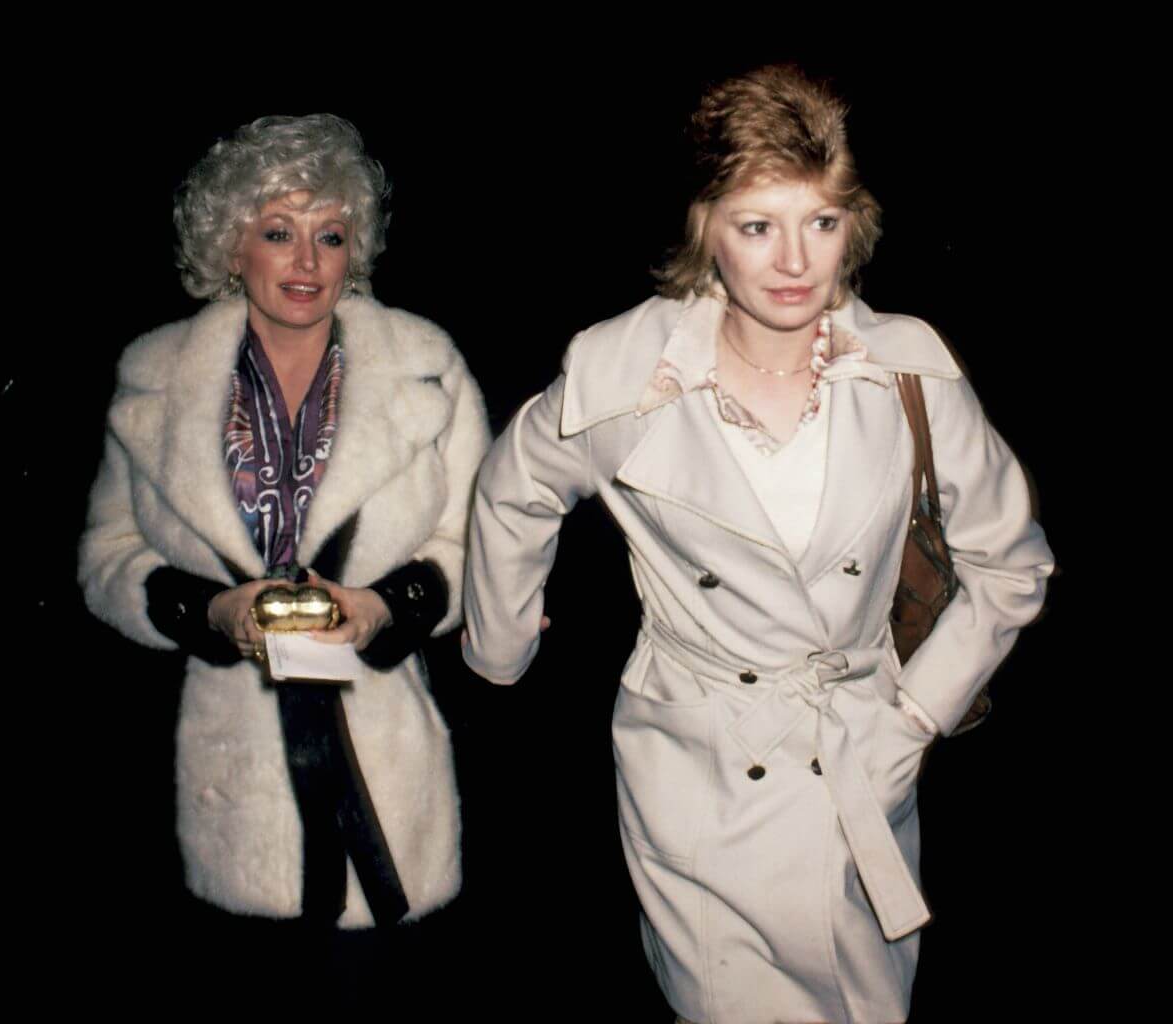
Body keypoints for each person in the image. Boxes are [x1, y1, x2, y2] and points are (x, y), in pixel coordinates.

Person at [461, 66, 1053, 1024]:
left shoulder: (909, 374)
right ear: (705, 230)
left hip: (860, 754)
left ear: (853, 226)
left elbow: (1011, 563)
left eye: (820, 221)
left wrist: (913, 717)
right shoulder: (626, 380)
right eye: (756, 225)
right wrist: (500, 641)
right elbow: (513, 487)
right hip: (698, 769)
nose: (795, 261)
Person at [79, 114, 489, 937]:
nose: (307, 261)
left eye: (329, 236)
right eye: (278, 233)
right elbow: (107, 555)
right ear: (232, 247)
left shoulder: (428, 367)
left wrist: (382, 607)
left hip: (386, 766)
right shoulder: (152, 378)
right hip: (226, 780)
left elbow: (475, 544)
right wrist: (209, 610)